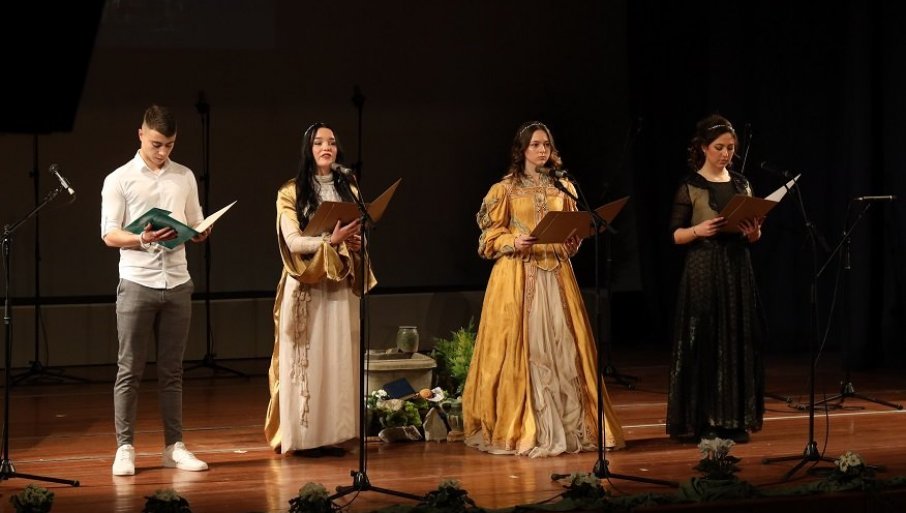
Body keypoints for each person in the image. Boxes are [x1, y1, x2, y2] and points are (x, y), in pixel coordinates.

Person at [462, 121, 625, 457]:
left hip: (557, 274)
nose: (541, 150)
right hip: (517, 275)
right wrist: (512, 240)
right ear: (522, 150)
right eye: (535, 145)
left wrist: (574, 241)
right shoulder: (504, 190)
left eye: (546, 145)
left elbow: (571, 234)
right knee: (527, 347)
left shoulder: (563, 188)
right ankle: (528, 426)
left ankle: (569, 425)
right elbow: (487, 239)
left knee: (563, 346)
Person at [100, 104, 210, 476]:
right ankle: (125, 447)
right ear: (141, 135)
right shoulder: (119, 179)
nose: (163, 152)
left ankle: (173, 447)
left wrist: (200, 231)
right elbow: (109, 234)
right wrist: (141, 238)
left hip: (177, 281)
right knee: (129, 369)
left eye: (170, 145)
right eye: (156, 144)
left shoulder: (184, 176)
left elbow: (194, 220)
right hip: (137, 282)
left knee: (172, 371)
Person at [263, 122, 374, 456]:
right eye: (319, 143)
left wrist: (356, 242)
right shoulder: (291, 191)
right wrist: (331, 240)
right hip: (306, 285)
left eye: (332, 142)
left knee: (336, 358)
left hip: (338, 284)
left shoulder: (348, 188)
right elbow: (294, 243)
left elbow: (359, 232)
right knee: (308, 360)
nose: (327, 148)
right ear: (307, 150)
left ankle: (333, 435)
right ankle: (304, 438)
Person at [666, 114, 766, 443]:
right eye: (720, 147)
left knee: (736, 337)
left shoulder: (742, 184)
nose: (726, 154)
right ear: (704, 148)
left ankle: (734, 418)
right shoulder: (691, 185)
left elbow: (754, 231)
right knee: (706, 338)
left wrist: (754, 234)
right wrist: (698, 230)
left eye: (731, 148)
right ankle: (706, 419)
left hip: (736, 266)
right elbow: (675, 235)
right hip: (704, 265)